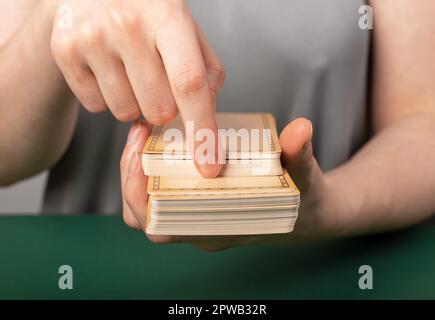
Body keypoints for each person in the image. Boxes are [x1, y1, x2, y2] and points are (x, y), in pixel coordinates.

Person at [0, 0, 434, 251]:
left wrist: (327, 207)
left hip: (317, 264)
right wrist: (55, 16)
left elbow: (422, 122)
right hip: (93, 267)